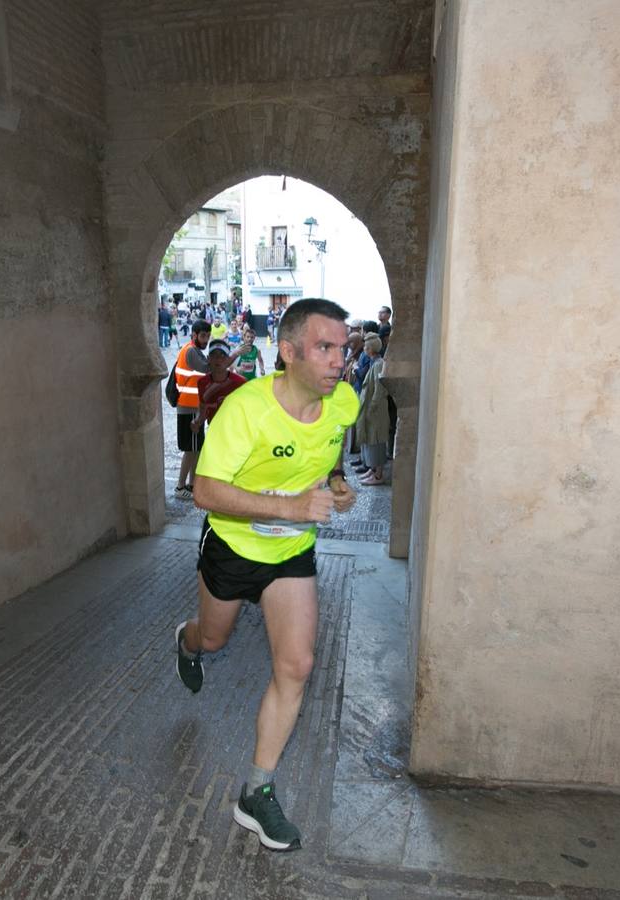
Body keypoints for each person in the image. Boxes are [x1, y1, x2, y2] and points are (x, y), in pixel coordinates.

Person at [174, 298, 358, 852]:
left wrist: (338, 482)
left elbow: (325, 456)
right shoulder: (246, 409)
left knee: (297, 664)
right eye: (325, 348)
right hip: (232, 547)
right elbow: (205, 491)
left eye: (343, 349)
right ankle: (186, 643)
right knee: (213, 637)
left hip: (290, 557)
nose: (338, 361)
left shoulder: (343, 404)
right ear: (288, 352)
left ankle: (257, 791)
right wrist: (290, 508)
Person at [172, 320, 212, 495]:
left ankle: (191, 485)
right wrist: (231, 356)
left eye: (208, 336)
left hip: (192, 407)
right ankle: (181, 487)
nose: (206, 340)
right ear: (194, 334)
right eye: (203, 336)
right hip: (188, 408)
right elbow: (208, 368)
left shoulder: (193, 350)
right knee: (190, 449)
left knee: (195, 448)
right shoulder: (191, 351)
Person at [354, 334, 391, 485]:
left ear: (371, 348)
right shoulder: (374, 362)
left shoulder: (378, 364)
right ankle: (373, 469)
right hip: (371, 408)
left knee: (376, 440)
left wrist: (373, 407)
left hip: (375, 410)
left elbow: (379, 388)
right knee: (370, 440)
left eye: (366, 347)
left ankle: (378, 474)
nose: (364, 349)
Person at [193, 340, 248, 433]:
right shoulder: (202, 382)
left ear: (228, 359)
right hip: (214, 431)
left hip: (236, 432)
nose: (218, 359)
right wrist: (196, 421)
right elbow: (203, 408)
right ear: (208, 358)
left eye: (222, 355)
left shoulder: (240, 382)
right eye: (214, 355)